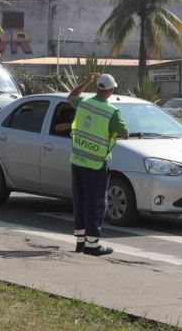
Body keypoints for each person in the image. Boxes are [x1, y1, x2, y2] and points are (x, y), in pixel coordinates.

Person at [67, 73, 129, 256]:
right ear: (110, 91)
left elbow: (70, 97)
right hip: (96, 164)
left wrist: (85, 81)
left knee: (80, 201)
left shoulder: (83, 103)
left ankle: (80, 242)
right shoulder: (112, 112)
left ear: (97, 88)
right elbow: (125, 134)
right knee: (95, 203)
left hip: (77, 160)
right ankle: (92, 245)